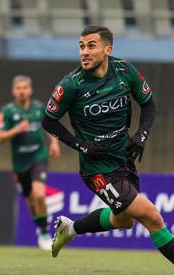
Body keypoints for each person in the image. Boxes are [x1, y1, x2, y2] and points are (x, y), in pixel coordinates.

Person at [43, 25, 173, 264]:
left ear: (107, 49)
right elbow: (48, 120)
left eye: (91, 46)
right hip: (98, 169)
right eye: (81, 46)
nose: (84, 52)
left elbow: (149, 105)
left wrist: (141, 135)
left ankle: (70, 229)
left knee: (124, 221)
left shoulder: (125, 70)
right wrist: (81, 145)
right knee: (153, 217)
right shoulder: (71, 84)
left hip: (123, 159)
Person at [0, 75, 60, 251]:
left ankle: (45, 233)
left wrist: (54, 142)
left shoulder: (39, 108)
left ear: (30, 90)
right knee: (31, 200)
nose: (22, 91)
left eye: (25, 88)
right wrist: (17, 129)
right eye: (19, 88)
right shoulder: (7, 111)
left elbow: (50, 125)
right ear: (13, 91)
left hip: (38, 158)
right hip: (19, 164)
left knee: (39, 195)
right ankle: (40, 228)